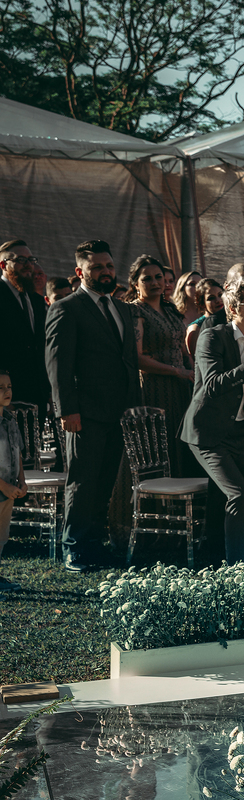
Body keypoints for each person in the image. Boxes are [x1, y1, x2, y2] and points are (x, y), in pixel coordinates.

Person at [45, 240, 141, 572]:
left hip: (118, 412)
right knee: (82, 481)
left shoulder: (122, 308)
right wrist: (65, 410)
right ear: (80, 271)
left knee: (104, 482)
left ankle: (94, 544)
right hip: (83, 412)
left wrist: (133, 406)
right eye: (97, 267)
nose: (105, 272)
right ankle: (73, 547)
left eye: (109, 266)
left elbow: (127, 361)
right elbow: (58, 365)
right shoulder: (66, 308)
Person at [181, 278, 244, 565]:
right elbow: (210, 385)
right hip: (208, 433)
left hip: (242, 433)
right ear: (233, 308)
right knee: (238, 495)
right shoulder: (212, 336)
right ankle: (235, 570)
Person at [128, 255, 194, 471]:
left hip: (181, 387)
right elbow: (137, 358)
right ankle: (159, 499)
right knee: (160, 445)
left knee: (183, 440)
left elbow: (182, 349)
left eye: (159, 277)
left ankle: (184, 499)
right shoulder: (135, 311)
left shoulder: (171, 310)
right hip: (153, 388)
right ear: (135, 284)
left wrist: (192, 371)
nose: (156, 283)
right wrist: (176, 371)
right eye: (147, 279)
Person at [0, 239, 50, 413]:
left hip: (38, 399)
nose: (28, 265)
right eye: (20, 260)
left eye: (31, 260)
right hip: (7, 400)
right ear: (3, 265)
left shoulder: (36, 301)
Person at [0, 369, 25, 591]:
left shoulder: (10, 420)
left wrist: (21, 480)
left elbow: (17, 452)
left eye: (8, 387)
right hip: (2, 487)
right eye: (0, 388)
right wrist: (4, 486)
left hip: (8, 491)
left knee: (2, 534)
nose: (6, 392)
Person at [186, 278, 224, 356]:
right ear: (202, 303)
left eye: (220, 295)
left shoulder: (231, 321)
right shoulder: (196, 329)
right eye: (211, 298)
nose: (218, 300)